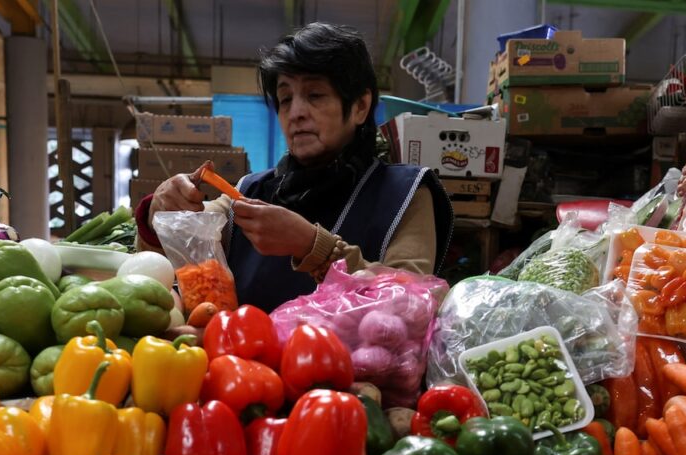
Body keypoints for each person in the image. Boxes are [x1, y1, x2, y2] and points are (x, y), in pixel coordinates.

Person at [134, 22, 453, 312]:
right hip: (240, 372)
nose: (296, 112)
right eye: (285, 99)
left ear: (359, 106)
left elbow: (414, 304)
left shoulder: (404, 194)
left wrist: (314, 247)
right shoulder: (246, 193)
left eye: (315, 95)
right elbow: (162, 270)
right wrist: (159, 214)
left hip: (349, 377)